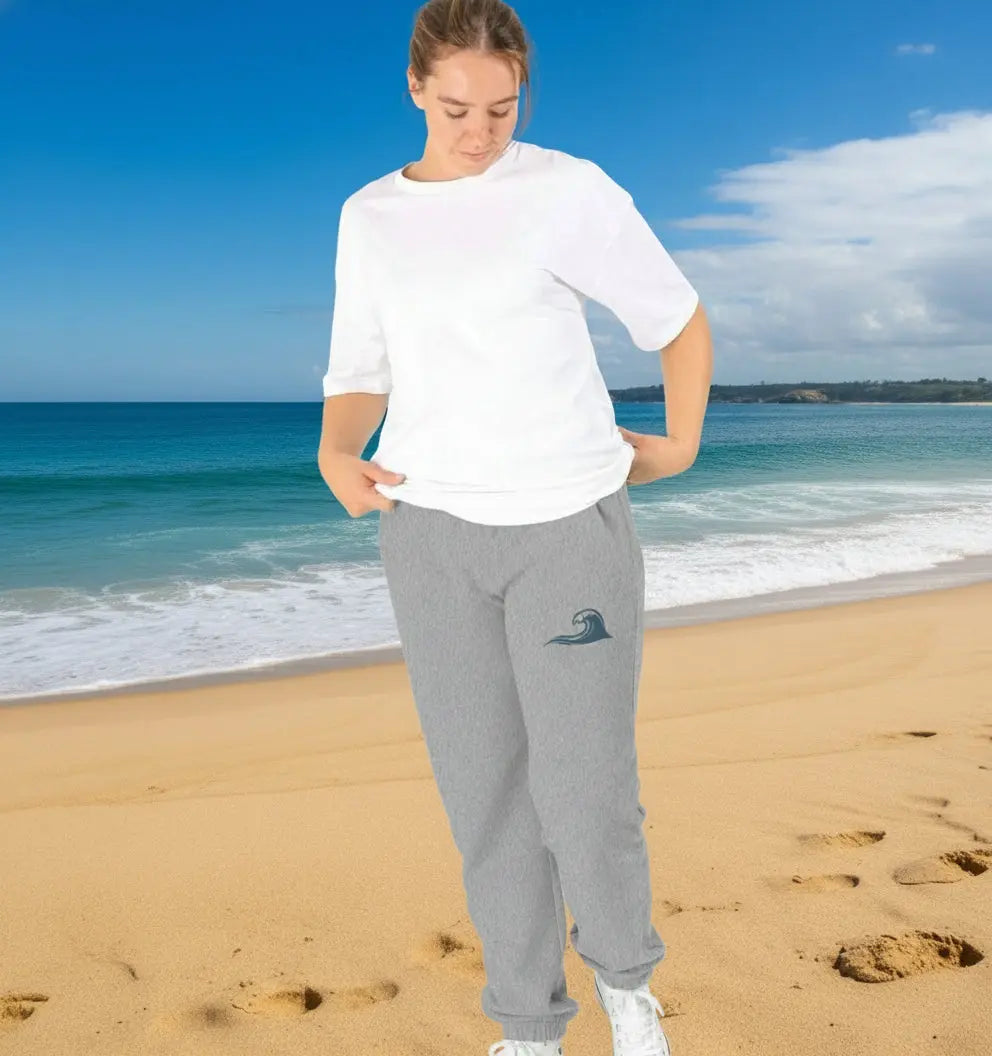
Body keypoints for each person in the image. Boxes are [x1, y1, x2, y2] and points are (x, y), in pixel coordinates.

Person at [317, 2, 713, 1053]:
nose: (480, 130)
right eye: (455, 108)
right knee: (485, 798)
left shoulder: (567, 190)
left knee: (582, 791)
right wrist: (332, 449)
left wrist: (678, 442)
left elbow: (673, 317)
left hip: (563, 526)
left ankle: (628, 992)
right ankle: (530, 1028)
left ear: (521, 92)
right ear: (414, 89)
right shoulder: (370, 215)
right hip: (431, 535)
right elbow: (360, 369)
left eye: (500, 108)